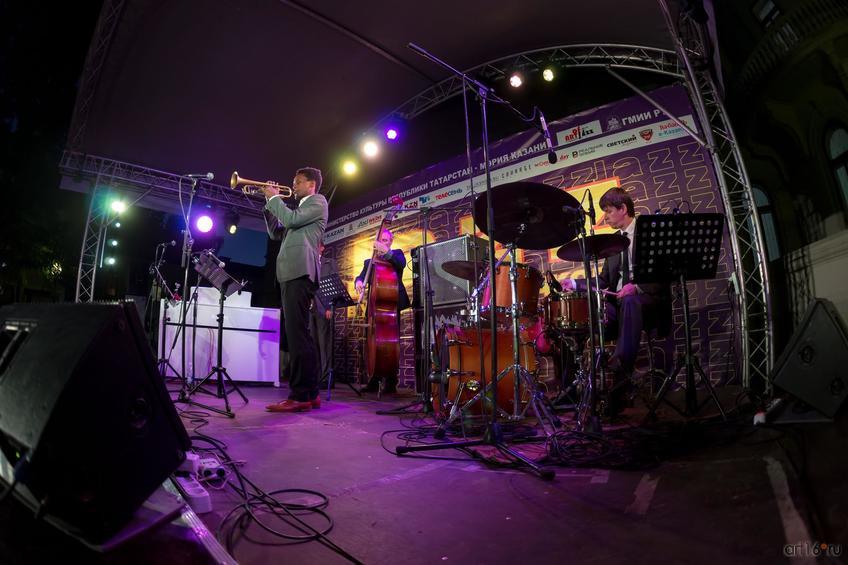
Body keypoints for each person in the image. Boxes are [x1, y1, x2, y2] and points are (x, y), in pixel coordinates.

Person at [560, 187, 670, 414]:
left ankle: (620, 378)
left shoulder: (649, 233)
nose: (605, 217)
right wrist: (574, 284)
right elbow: (603, 281)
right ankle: (575, 385)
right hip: (619, 306)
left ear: (623, 209)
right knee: (582, 311)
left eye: (609, 211)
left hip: (648, 302)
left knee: (630, 302)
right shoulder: (613, 244)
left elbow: (664, 274)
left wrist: (636, 287)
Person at [260, 167, 328, 413]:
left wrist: (275, 199)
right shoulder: (300, 211)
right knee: (301, 335)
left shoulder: (317, 202)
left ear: (311, 185)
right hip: (292, 273)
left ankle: (299, 396)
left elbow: (289, 220)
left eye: (298, 182)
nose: (294, 185)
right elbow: (276, 232)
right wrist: (269, 204)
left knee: (297, 335)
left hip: (300, 272)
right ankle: (311, 393)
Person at [354, 228, 410, 393]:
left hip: (390, 304)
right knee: (372, 345)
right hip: (373, 308)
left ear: (390, 242)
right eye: (380, 241)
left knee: (391, 345)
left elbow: (400, 264)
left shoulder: (397, 254)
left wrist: (385, 252)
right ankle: (373, 379)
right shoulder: (369, 262)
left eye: (385, 240)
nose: (382, 243)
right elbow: (361, 276)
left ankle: (391, 382)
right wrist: (358, 282)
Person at [311, 240, 336, 387]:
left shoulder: (329, 263)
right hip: (310, 309)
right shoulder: (308, 262)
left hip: (324, 308)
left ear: (321, 248)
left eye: (315, 245)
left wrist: (329, 307)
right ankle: (317, 377)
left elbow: (333, 285)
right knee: (313, 344)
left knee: (324, 344)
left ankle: (327, 379)